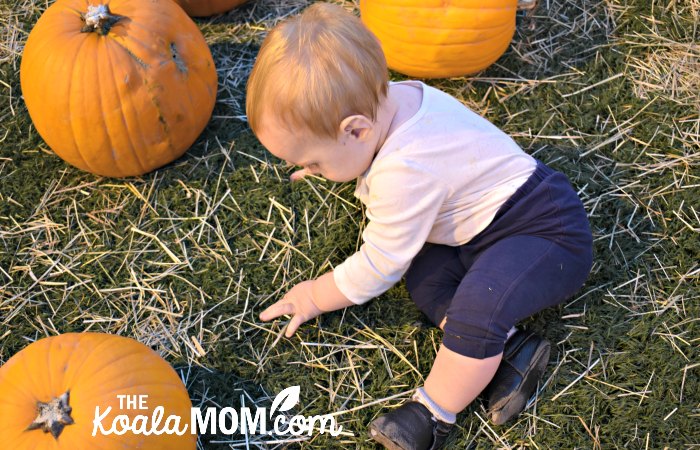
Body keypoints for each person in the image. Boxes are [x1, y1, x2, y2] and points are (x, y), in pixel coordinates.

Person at [246, 3, 593, 449]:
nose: (308, 168)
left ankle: (431, 414)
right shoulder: (398, 98)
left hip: (544, 233)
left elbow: (378, 264)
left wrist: (316, 294)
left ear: (355, 130)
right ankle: (509, 348)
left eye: (312, 160)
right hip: (481, 229)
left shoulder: (405, 169)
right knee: (426, 276)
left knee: (476, 303)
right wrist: (321, 158)